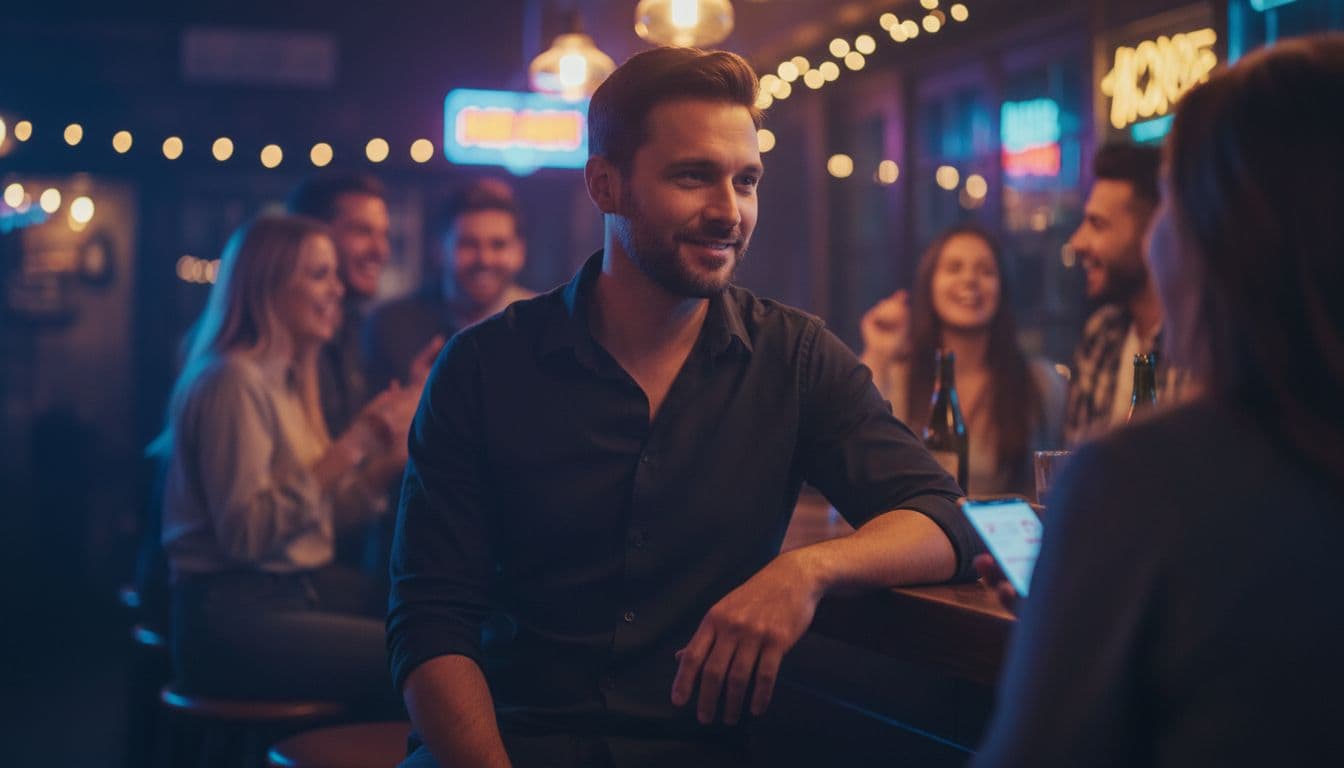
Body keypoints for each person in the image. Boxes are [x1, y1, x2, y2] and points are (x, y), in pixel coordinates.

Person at [389, 47, 979, 768]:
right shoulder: (483, 367)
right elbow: (429, 623)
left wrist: (805, 572)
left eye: (747, 181)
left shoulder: (792, 358)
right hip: (503, 745)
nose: (728, 212)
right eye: (693, 176)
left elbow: (941, 516)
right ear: (606, 185)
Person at [973, 35, 1344, 766]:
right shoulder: (1111, 364)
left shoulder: (1143, 480)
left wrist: (1086, 586)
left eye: (1174, 198)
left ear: (1220, 234)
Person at [154, 214, 415, 713]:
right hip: (227, 616)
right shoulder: (232, 380)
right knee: (420, 662)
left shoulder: (287, 382)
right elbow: (245, 536)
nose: (337, 290)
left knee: (432, 623)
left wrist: (386, 454)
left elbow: (322, 524)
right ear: (267, 284)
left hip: (286, 592)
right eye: (319, 275)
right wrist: (351, 446)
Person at [860, 226, 1067, 498]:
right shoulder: (897, 376)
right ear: (929, 284)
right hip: (914, 537)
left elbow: (1061, 484)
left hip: (999, 538)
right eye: (954, 268)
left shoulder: (1040, 383)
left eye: (986, 271)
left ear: (1002, 288)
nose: (970, 279)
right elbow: (859, 462)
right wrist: (878, 352)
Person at [1063, 142, 1186, 445]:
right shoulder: (1102, 335)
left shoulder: (1198, 345)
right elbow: (1076, 468)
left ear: (1154, 233)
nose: (1077, 242)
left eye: (1098, 224)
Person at [364, 180, 535, 393]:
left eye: (498, 245)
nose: (485, 259)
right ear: (439, 249)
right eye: (468, 244)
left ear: (520, 252)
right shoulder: (391, 327)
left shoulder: (542, 327)